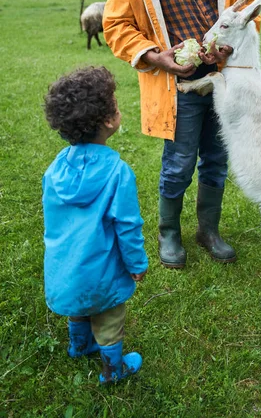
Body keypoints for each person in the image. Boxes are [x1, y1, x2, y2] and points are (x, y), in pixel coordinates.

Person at [103, 0, 261, 270]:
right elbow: (116, 24)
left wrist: (233, 43)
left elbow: (247, 7)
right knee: (178, 163)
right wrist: (158, 57)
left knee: (217, 158)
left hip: (225, 80)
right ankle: (168, 233)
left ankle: (208, 230)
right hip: (179, 85)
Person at [42, 66, 148, 384]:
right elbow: (128, 226)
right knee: (109, 318)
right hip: (102, 272)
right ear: (108, 121)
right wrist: (137, 264)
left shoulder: (54, 169)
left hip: (66, 267)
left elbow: (54, 220)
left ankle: (79, 345)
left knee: (79, 305)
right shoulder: (117, 172)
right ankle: (113, 370)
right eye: (114, 104)